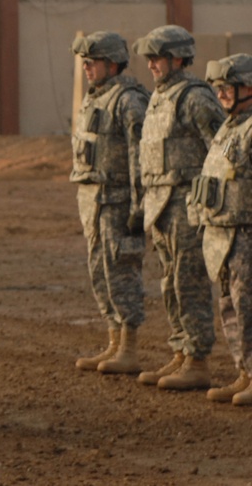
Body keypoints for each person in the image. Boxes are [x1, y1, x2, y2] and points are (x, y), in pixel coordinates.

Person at [133, 25, 223, 390]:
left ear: (177, 58)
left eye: (157, 57)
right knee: (170, 283)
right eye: (149, 58)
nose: (151, 64)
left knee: (190, 284)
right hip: (161, 206)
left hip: (188, 206)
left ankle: (198, 360)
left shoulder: (196, 98)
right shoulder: (160, 96)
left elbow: (220, 149)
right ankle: (181, 352)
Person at [69, 32, 149, 374]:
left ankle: (129, 348)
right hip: (95, 202)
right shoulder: (94, 98)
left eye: (93, 62)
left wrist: (139, 206)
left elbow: (139, 157)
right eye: (84, 62)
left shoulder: (128, 100)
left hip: (118, 203)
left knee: (122, 272)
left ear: (113, 64)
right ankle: (114, 342)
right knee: (100, 273)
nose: (86, 68)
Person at [192, 54, 252, 405]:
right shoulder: (229, 127)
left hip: (246, 233)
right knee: (230, 306)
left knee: (248, 306)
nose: (222, 94)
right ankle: (244, 372)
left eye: (228, 86)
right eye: (218, 88)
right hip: (223, 232)